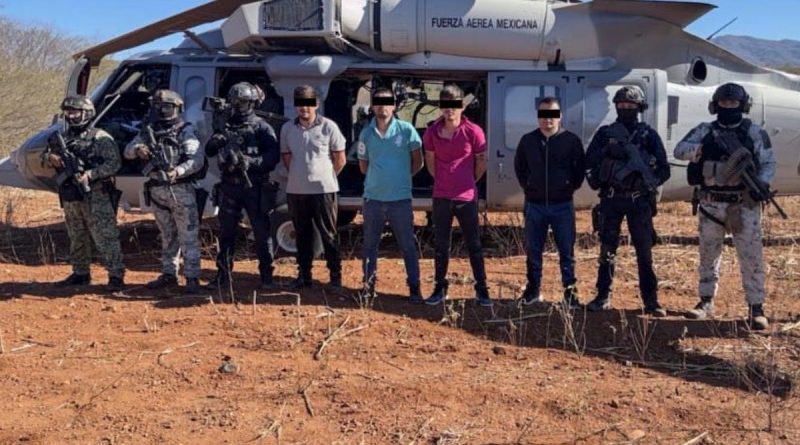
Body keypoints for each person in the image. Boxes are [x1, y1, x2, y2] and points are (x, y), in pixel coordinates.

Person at [674, 83, 775, 330]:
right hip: (711, 203)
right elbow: (679, 151)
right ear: (715, 105)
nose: (728, 107)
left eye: (733, 103)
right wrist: (701, 149)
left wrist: (761, 184)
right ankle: (706, 301)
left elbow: (768, 163)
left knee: (751, 257)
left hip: (743, 204)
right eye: (723, 102)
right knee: (708, 254)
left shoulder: (754, 133)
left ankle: (756, 307)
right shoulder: (705, 130)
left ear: (743, 105)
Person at [584, 86, 670, 316]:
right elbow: (588, 162)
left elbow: (664, 169)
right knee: (607, 250)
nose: (625, 109)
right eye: (621, 105)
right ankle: (602, 296)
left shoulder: (648, 135)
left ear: (639, 108)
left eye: (630, 105)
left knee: (644, 253)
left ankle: (651, 301)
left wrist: (648, 183)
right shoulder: (605, 134)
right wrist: (607, 152)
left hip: (638, 201)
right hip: (611, 200)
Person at [125, 90, 205, 295]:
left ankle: (192, 277)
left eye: (167, 107)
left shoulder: (185, 130)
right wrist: (138, 149)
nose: (162, 110)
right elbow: (127, 151)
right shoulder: (148, 131)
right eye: (158, 106)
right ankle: (169, 274)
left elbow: (196, 160)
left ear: (177, 108)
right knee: (167, 235)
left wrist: (177, 171)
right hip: (157, 191)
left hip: (180, 190)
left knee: (188, 236)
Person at [44, 95, 125, 291]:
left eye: (75, 112)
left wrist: (91, 174)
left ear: (87, 113)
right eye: (68, 112)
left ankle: (115, 276)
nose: (70, 116)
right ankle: (80, 273)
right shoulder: (62, 138)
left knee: (105, 235)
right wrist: (50, 158)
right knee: (76, 234)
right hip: (71, 194)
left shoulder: (100, 137)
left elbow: (114, 164)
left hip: (96, 194)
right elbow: (45, 158)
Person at [205, 82, 280, 290]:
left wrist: (251, 162)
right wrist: (217, 140)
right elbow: (209, 151)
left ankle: (266, 277)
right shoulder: (225, 126)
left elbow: (273, 157)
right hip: (229, 187)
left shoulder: (261, 127)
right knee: (226, 233)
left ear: (252, 103)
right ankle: (223, 276)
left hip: (254, 187)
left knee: (261, 234)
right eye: (235, 101)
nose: (238, 106)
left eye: (242, 102)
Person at [423, 84, 492, 307]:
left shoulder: (474, 131)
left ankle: (482, 289)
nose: (450, 110)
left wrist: (468, 180)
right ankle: (439, 288)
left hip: (466, 197)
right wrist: (443, 180)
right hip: (441, 196)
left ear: (462, 106)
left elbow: (481, 162)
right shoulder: (432, 132)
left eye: (454, 105)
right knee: (441, 245)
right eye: (446, 105)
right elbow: (430, 161)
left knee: (473, 244)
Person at [513, 97, 585, 307]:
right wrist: (530, 187)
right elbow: (520, 168)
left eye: (552, 115)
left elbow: (579, 170)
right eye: (543, 115)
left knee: (567, 252)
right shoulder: (528, 141)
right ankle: (533, 290)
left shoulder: (571, 141)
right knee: (533, 251)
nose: (548, 120)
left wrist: (567, 187)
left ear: (560, 116)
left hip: (562, 205)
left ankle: (570, 293)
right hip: (534, 205)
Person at [355, 87, 424, 303]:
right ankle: (368, 287)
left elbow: (418, 161)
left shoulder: (407, 130)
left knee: (407, 246)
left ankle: (414, 288)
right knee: (370, 246)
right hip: (373, 200)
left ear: (394, 106)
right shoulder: (366, 134)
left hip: (400, 200)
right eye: (378, 102)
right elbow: (363, 166)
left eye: (387, 102)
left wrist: (402, 176)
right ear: (372, 106)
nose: (382, 107)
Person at [280, 85, 347, 289]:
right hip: (296, 191)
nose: (304, 108)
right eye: (300, 104)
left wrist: (326, 175)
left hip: (324, 190)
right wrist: (300, 175)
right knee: (302, 234)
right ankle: (304, 275)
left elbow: (340, 158)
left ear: (316, 104)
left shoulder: (329, 126)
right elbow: (286, 157)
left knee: (328, 234)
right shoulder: (287, 128)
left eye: (309, 104)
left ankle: (335, 276)